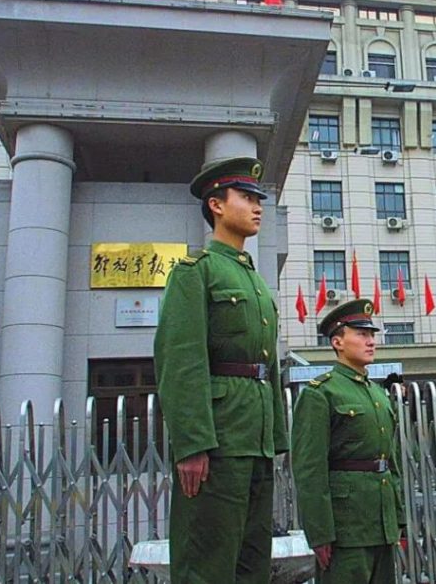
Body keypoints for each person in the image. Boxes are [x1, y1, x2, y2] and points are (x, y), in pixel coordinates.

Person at [153, 156, 288, 584]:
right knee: (208, 561)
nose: (257, 206)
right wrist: (192, 445)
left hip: (256, 440)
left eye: (258, 199)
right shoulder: (197, 272)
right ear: (216, 205)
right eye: (246, 197)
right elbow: (181, 361)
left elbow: (268, 366)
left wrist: (276, 437)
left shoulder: (254, 280)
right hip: (220, 439)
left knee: (253, 560)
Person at [291, 299, 405, 583]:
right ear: (337, 342)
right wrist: (320, 533)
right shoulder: (321, 393)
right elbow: (309, 469)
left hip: (381, 523)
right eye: (362, 334)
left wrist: (398, 518)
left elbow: (390, 462)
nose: (371, 342)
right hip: (346, 527)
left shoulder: (378, 394)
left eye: (372, 335)